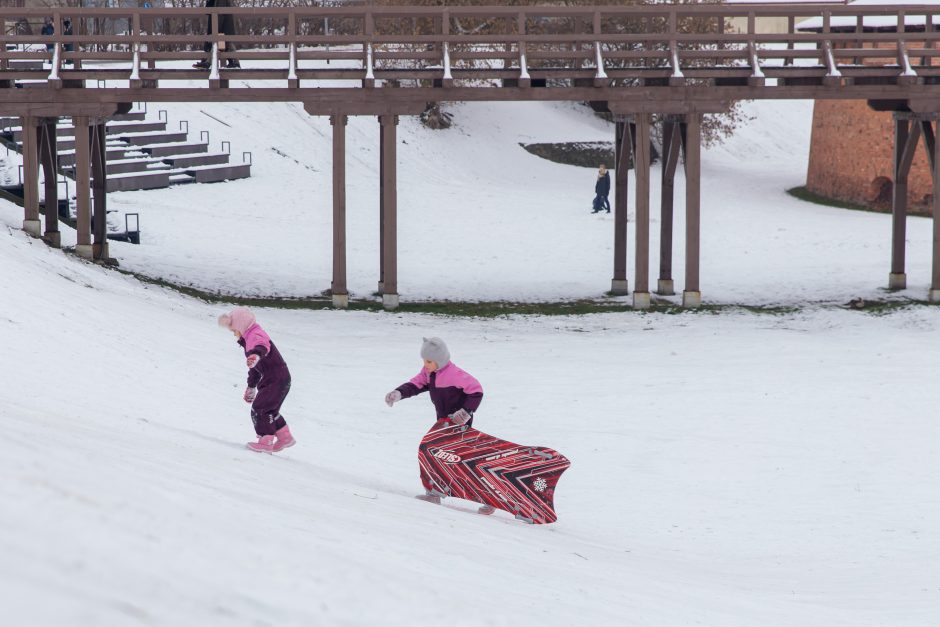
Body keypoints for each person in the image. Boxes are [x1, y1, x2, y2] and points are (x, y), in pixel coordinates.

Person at [385, 337, 487, 509]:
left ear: (440, 360)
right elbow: (415, 384)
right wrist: (398, 393)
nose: (425, 364)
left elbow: (476, 390)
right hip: (443, 424)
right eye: (424, 360)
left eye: (429, 361)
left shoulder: (454, 374)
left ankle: (486, 498)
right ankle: (434, 493)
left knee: (460, 460)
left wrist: (465, 412)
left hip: (459, 425)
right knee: (434, 454)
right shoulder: (429, 372)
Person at [218, 307, 295, 453]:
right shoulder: (248, 339)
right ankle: (285, 437)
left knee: (260, 409)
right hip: (276, 378)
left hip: (276, 378)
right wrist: (251, 386)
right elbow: (254, 368)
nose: (234, 334)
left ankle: (266, 441)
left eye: (234, 330)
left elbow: (262, 346)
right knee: (269, 410)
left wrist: (256, 355)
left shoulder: (256, 335)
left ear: (241, 325)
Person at [194, 0, 240, 69]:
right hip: (218, 20)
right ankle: (208, 61)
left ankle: (208, 62)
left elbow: (220, 10)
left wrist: (217, 27)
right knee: (223, 41)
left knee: (224, 41)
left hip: (221, 21)